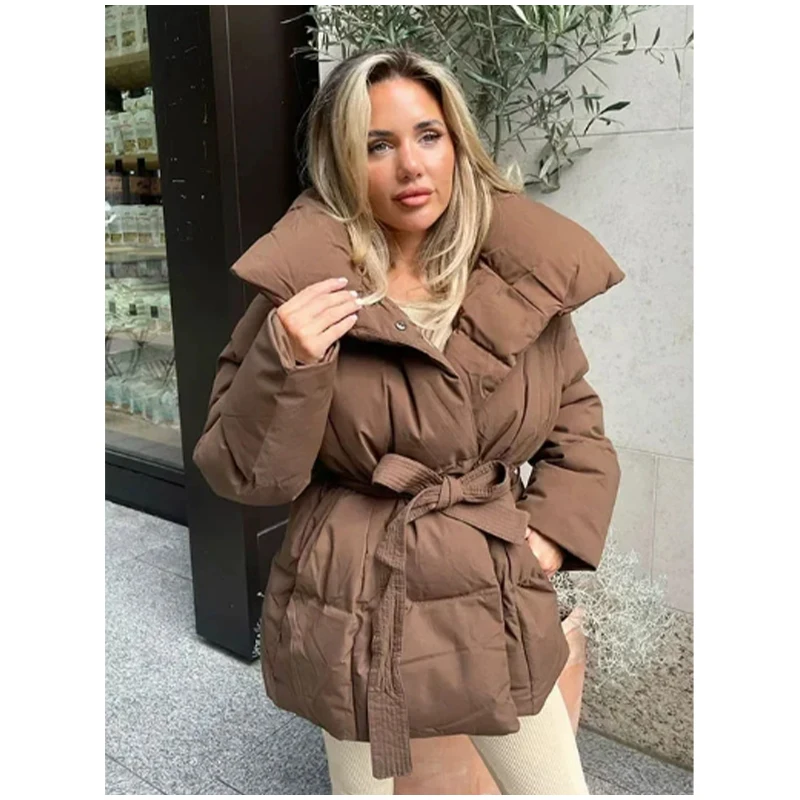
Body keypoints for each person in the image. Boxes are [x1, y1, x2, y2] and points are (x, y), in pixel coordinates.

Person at [193, 48, 625, 795]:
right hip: (353, 584)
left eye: (428, 135)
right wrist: (289, 360)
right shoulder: (303, 289)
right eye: (377, 144)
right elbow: (245, 472)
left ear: (457, 142)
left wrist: (550, 536)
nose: (411, 166)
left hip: (490, 578)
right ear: (341, 160)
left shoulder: (522, 274)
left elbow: (577, 423)